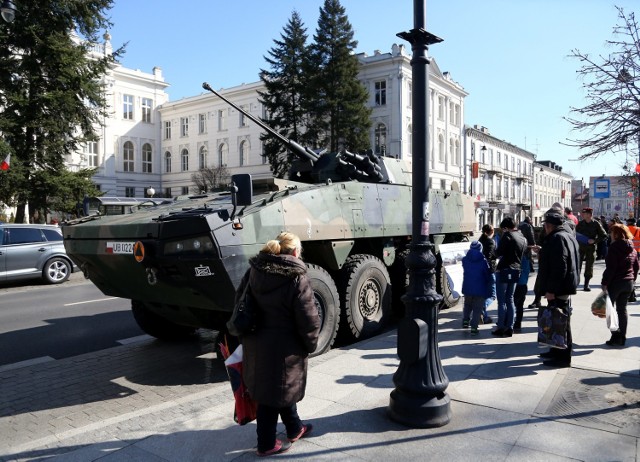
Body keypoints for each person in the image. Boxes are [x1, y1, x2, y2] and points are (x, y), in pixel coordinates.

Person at [238, 232, 320, 457]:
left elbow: (240, 299)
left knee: (279, 387)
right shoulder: (296, 277)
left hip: (256, 342)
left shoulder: (255, 269)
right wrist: (311, 343)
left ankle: (294, 428)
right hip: (285, 347)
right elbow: (308, 318)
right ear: (294, 252)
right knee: (272, 395)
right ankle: (265, 444)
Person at [535, 208, 580, 368]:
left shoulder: (557, 238)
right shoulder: (566, 235)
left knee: (561, 322)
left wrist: (551, 290)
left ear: (549, 225)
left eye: (545, 225)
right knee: (557, 321)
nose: (544, 228)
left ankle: (562, 357)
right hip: (565, 285)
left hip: (559, 288)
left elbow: (559, 267)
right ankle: (555, 350)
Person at [600, 223, 639, 347]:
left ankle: (615, 336)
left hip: (616, 283)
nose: (610, 234)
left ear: (616, 234)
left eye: (611, 232)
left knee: (609, 310)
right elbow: (636, 266)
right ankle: (622, 337)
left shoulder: (614, 247)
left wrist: (604, 283)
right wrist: (633, 279)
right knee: (622, 310)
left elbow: (611, 268)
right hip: (628, 283)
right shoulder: (632, 248)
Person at [492, 217, 528, 337]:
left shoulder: (507, 236)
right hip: (516, 270)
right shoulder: (522, 237)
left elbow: (498, 253)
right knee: (510, 299)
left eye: (503, 229)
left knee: (501, 300)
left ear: (506, 228)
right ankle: (510, 327)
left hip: (504, 270)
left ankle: (501, 327)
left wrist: (494, 250)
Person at [461, 240, 493, 335]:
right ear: (480, 249)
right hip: (480, 288)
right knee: (477, 309)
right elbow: (487, 274)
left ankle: (465, 321)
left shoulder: (465, 259)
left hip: (467, 287)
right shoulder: (483, 261)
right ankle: (474, 327)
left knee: (467, 305)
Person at [575, 207, 607, 291]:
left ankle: (586, 284)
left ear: (589, 215)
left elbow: (604, 235)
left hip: (591, 248)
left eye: (585, 213)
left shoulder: (596, 224)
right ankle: (575, 283)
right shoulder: (580, 223)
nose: (583, 215)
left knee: (589, 267)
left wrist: (594, 241)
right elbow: (575, 234)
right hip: (580, 247)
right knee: (577, 266)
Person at [478, 223, 497, 324]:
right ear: (491, 232)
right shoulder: (490, 242)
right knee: (492, 295)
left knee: (484, 294)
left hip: (480, 271)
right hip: (489, 271)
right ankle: (481, 309)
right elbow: (489, 257)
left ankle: (484, 317)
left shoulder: (480, 241)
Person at [513, 252, 530, 333]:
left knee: (512, 304)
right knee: (520, 306)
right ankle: (518, 323)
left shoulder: (516, 258)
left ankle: (508, 322)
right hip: (523, 284)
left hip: (516, 284)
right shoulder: (526, 259)